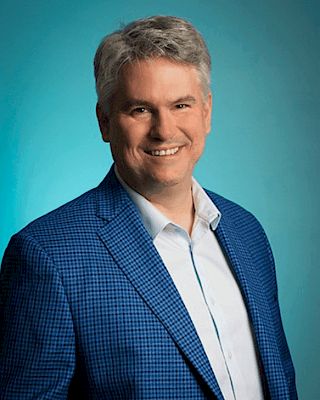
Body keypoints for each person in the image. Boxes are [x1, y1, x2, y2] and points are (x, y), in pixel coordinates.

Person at [0, 16, 297, 400]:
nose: (165, 130)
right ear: (105, 122)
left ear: (206, 112)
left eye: (181, 105)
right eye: (140, 109)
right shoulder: (48, 257)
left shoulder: (247, 232)